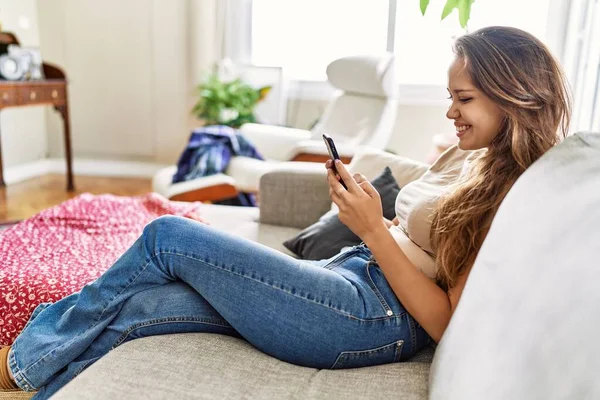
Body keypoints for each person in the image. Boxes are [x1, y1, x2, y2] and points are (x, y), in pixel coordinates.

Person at [0, 26, 570, 398]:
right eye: (450, 96)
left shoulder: (511, 194)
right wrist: (377, 220)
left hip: (371, 316)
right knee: (144, 304)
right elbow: (420, 240)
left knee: (166, 237)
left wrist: (373, 229)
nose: (449, 111)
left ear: (513, 95)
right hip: (349, 276)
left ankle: (20, 362)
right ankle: (41, 384)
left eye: (463, 99)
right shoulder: (469, 160)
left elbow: (446, 321)